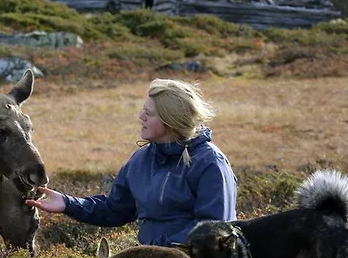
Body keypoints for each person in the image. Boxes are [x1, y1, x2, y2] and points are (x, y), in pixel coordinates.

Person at [26, 78, 237, 246]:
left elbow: (214, 229)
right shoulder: (141, 159)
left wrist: (161, 251)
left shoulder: (210, 162)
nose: (140, 116)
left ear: (170, 119)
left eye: (149, 113)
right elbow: (116, 209)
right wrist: (67, 203)